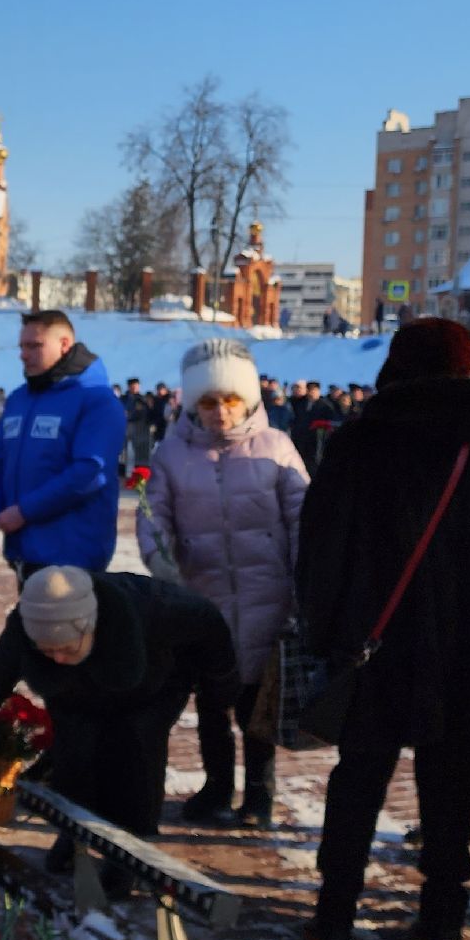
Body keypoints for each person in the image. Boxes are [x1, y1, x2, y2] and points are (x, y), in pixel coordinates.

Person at [296, 318, 470, 940]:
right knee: (452, 787)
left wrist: (326, 633)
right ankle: (443, 928)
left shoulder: (359, 443)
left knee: (358, 781)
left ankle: (334, 924)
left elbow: (320, 550)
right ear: (465, 370)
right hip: (469, 652)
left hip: (373, 645)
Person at [0, 567, 239, 893]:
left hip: (151, 684)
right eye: (47, 652)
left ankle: (130, 852)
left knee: (136, 750)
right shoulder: (24, 630)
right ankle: (75, 835)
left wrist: (221, 688)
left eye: (66, 649)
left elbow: (212, 631)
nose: (56, 657)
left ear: (88, 626)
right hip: (75, 694)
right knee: (75, 751)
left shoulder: (157, 608)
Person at [140, 340, 309, 828]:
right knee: (213, 704)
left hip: (266, 597)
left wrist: (302, 581)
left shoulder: (276, 448)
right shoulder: (171, 454)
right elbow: (154, 515)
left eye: (230, 399)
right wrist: (164, 561)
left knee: (258, 710)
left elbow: (302, 518)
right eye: (209, 402)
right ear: (193, 403)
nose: (220, 411)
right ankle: (217, 787)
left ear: (248, 399)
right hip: (203, 601)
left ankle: (259, 794)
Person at [0, 310, 126, 574]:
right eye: (22, 346)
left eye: (35, 346)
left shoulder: (96, 400)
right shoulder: (19, 399)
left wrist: (25, 511)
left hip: (72, 552)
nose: (24, 354)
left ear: (64, 344)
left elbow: (89, 472)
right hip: (23, 550)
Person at [120, 378, 156, 475]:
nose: (135, 387)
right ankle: (121, 475)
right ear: (129, 387)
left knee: (141, 452)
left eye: (136, 385)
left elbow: (147, 412)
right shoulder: (123, 398)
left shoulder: (143, 398)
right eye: (132, 386)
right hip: (124, 425)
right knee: (121, 452)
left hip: (139, 426)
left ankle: (139, 477)